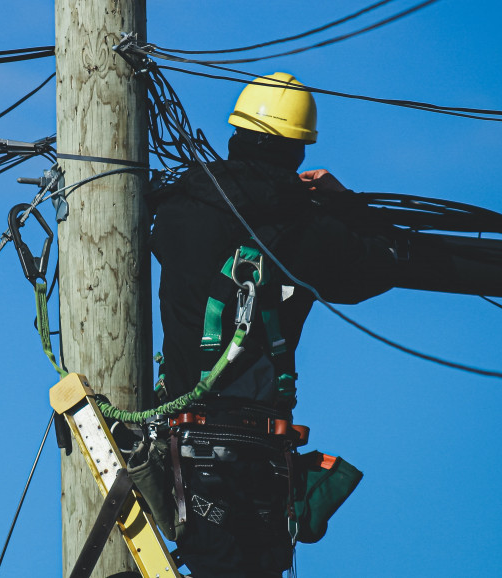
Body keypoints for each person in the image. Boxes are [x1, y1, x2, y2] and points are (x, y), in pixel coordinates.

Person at [147, 72, 397, 577]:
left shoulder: (177, 208)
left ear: (236, 135)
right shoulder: (309, 226)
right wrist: (343, 202)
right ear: (298, 153)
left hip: (185, 450)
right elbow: (383, 263)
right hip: (260, 454)